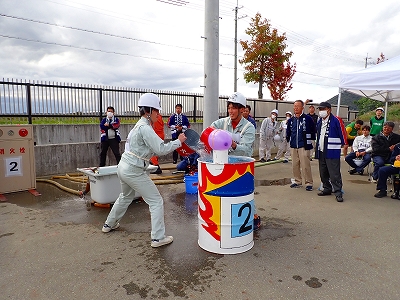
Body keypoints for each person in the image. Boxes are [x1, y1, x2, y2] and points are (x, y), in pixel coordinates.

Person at [102, 93, 187, 248]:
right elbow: (161, 149)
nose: (158, 114)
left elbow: (146, 149)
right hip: (134, 170)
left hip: (123, 167)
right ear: (149, 111)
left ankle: (109, 224)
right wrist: (178, 142)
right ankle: (158, 238)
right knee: (156, 201)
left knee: (125, 196)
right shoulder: (145, 128)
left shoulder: (138, 126)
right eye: (156, 111)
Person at [315, 102, 346, 202]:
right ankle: (327, 188)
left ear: (329, 110)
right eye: (320, 109)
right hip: (321, 150)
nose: (321, 111)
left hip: (332, 150)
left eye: (323, 109)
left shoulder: (336, 120)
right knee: (323, 172)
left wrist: (344, 143)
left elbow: (342, 132)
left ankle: (338, 192)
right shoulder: (320, 121)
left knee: (334, 173)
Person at [210, 92, 255, 157]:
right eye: (229, 108)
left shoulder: (249, 127)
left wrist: (233, 145)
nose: (230, 111)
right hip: (223, 163)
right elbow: (209, 132)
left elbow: (246, 150)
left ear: (242, 109)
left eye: (233, 108)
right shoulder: (221, 123)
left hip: (241, 164)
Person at [286, 100, 315, 191]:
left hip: (304, 145)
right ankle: (298, 181)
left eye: (298, 106)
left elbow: (313, 130)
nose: (296, 108)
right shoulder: (291, 120)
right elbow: (288, 132)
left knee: (305, 165)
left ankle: (309, 182)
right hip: (294, 145)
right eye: (294, 106)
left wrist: (310, 143)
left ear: (302, 107)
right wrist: (288, 140)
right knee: (295, 164)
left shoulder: (308, 119)